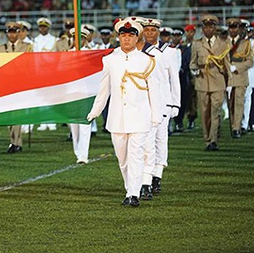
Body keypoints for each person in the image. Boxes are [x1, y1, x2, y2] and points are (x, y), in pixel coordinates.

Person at [87, 18, 161, 207]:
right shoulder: (110, 59)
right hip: (117, 117)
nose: (127, 39)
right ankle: (130, 187)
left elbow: (154, 89)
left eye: (131, 35)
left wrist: (156, 115)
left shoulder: (147, 61)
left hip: (140, 116)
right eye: (123, 35)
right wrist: (96, 111)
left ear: (137, 38)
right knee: (122, 157)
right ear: (118, 37)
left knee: (136, 154)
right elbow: (104, 90)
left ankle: (133, 194)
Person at [138, 18, 180, 199]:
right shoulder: (138, 50)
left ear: (158, 31)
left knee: (161, 141)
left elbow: (174, 79)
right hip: (143, 102)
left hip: (163, 102)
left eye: (152, 30)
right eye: (146, 30)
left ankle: (157, 176)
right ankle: (145, 179)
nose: (149, 33)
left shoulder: (169, 52)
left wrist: (175, 103)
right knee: (146, 141)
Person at [190, 15, 230, 151]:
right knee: (205, 113)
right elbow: (193, 63)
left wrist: (229, 83)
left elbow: (227, 65)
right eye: (205, 27)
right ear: (202, 29)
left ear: (215, 28)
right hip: (202, 81)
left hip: (218, 82)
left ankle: (213, 140)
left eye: (211, 27)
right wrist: (194, 70)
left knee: (215, 111)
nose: (208, 29)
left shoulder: (223, 44)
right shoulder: (197, 44)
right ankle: (207, 140)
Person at [0, 22, 33, 153]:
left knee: (17, 115)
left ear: (19, 33)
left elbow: (30, 67)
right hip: (6, 86)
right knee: (8, 116)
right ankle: (13, 141)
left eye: (14, 32)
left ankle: (16, 143)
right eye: (10, 32)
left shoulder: (27, 47)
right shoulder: (0, 48)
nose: (12, 34)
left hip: (20, 85)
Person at [68, 26, 93, 164]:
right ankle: (77, 151)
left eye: (81, 38)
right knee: (74, 125)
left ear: (85, 39)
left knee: (84, 123)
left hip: (85, 92)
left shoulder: (90, 53)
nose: (78, 41)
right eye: (76, 38)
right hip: (71, 93)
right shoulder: (67, 53)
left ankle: (83, 154)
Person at [226, 17, 253, 138]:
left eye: (235, 27)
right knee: (230, 103)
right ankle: (233, 124)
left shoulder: (245, 44)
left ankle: (236, 128)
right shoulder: (224, 42)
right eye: (231, 27)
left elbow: (250, 61)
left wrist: (236, 67)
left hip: (240, 77)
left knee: (238, 102)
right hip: (228, 78)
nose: (233, 30)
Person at [33, 17, 58, 131]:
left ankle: (52, 121)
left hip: (51, 71)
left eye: (44, 27)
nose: (42, 29)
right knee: (41, 98)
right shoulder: (35, 40)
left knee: (52, 97)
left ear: (48, 28)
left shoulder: (54, 40)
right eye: (41, 27)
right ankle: (43, 121)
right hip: (39, 72)